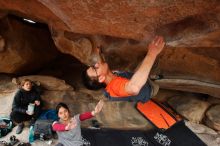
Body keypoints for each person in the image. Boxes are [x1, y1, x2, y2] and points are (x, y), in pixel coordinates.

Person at [83, 36, 165, 102]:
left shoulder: (107, 78)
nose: (96, 64)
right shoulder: (115, 88)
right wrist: (152, 53)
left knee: (145, 62)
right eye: (95, 68)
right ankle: (155, 76)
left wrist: (99, 53)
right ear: (101, 78)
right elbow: (134, 87)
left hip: (131, 77)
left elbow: (101, 65)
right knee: (151, 59)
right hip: (148, 88)